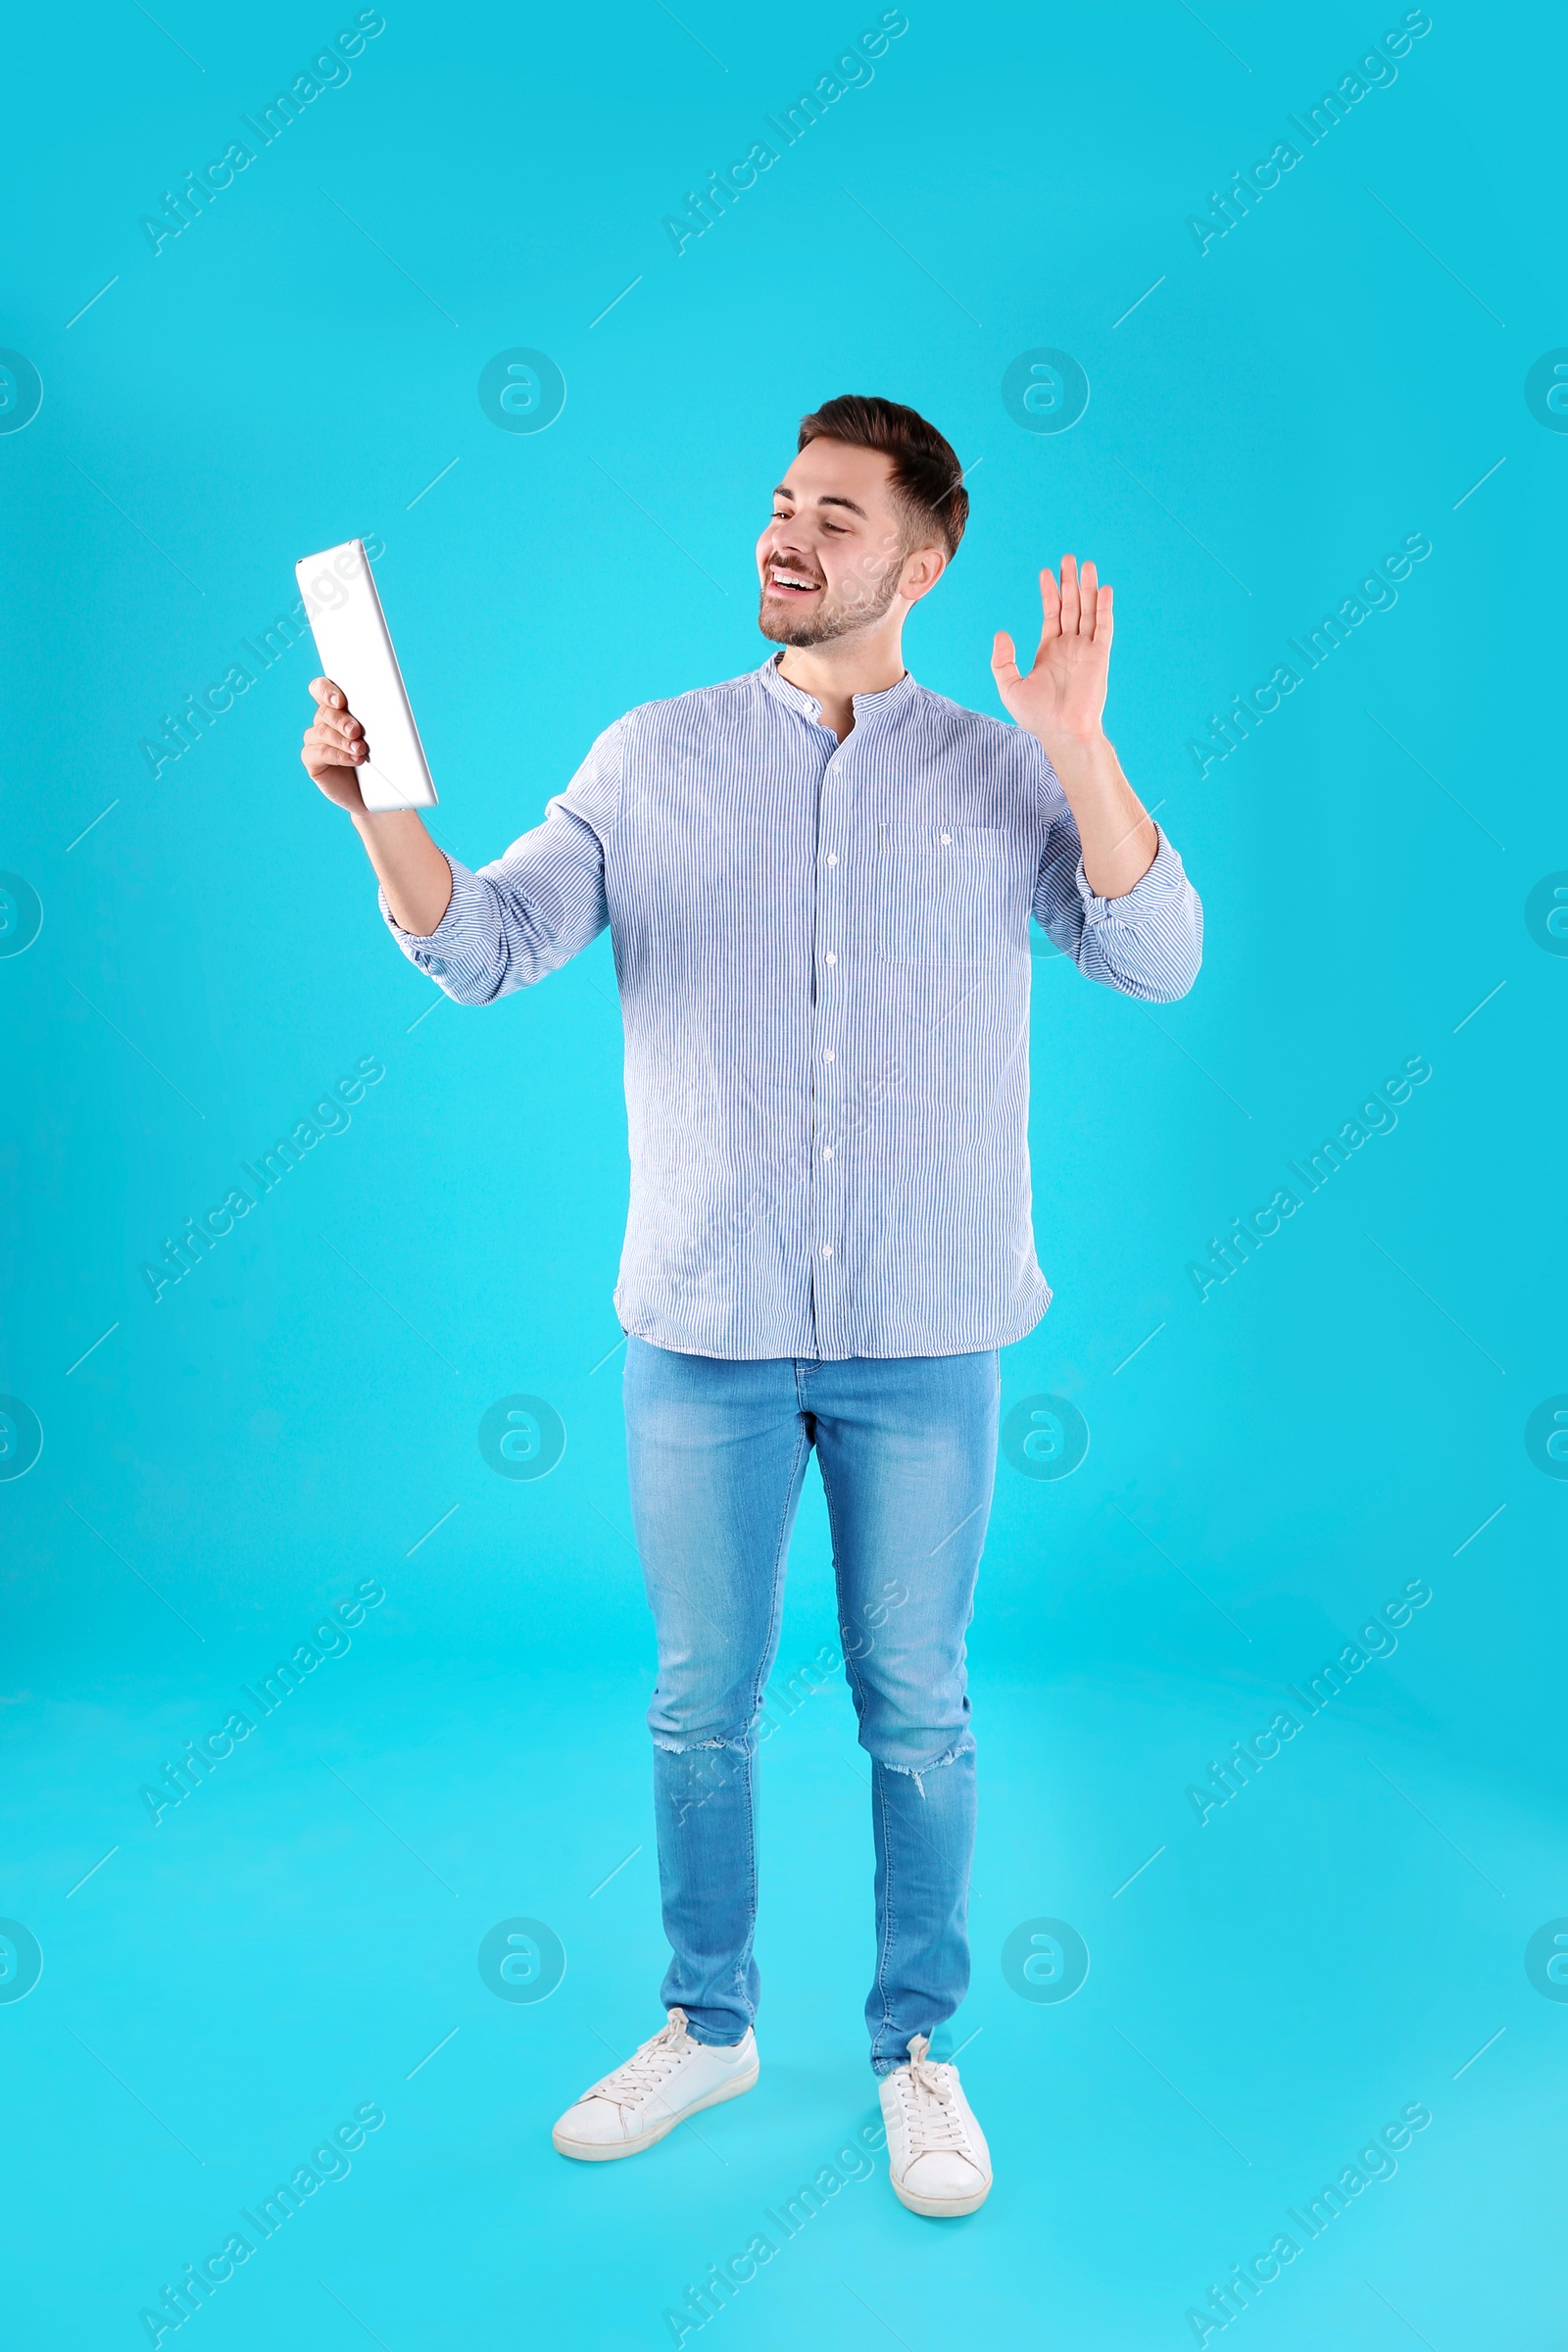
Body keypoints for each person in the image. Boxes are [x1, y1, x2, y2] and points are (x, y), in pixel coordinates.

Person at [301, 395, 1202, 2218]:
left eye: (838, 518)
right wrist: (380, 810)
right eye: (781, 504)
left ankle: (916, 2055)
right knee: (698, 1704)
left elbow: (1157, 952)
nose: (790, 538)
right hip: (700, 1329)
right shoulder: (649, 757)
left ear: (922, 561)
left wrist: (1085, 751)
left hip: (929, 1324)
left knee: (918, 1710)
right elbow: (481, 947)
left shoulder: (1004, 768)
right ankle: (706, 2028)